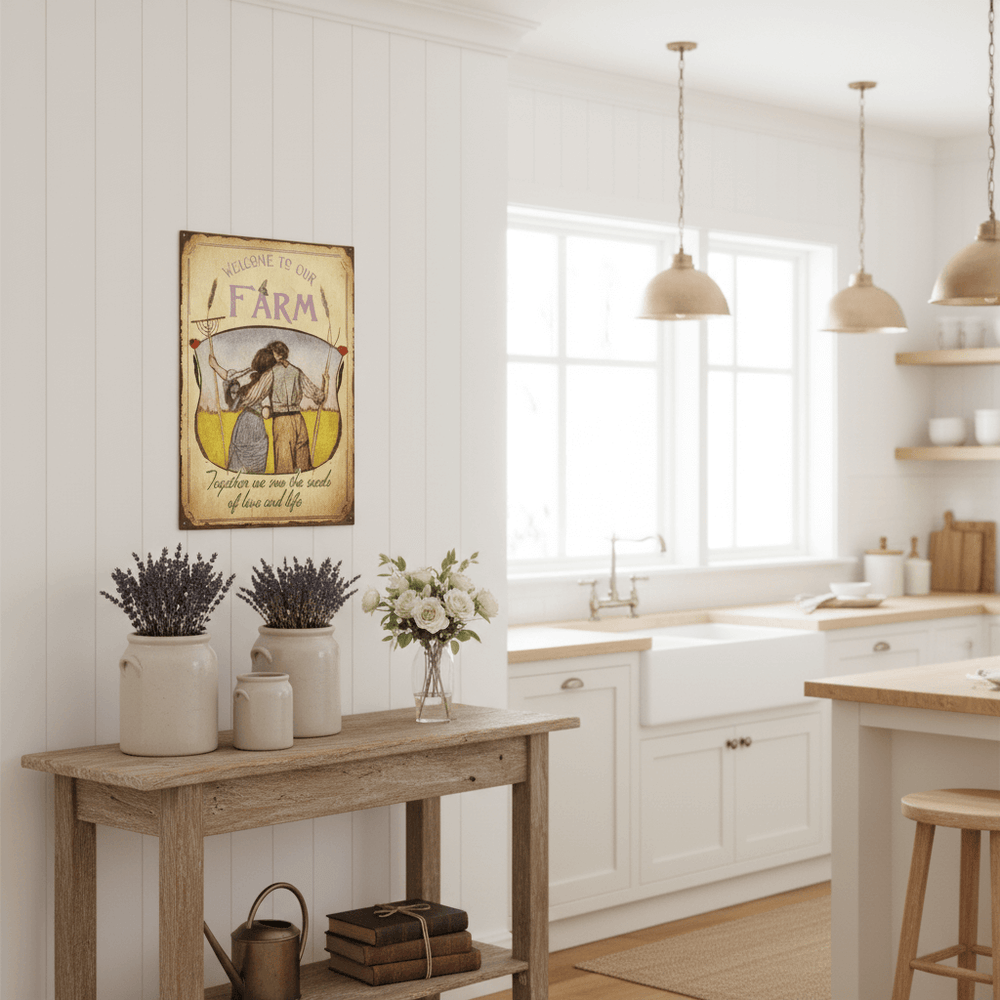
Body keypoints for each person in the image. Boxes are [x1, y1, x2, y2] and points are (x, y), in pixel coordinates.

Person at [241, 340, 328, 473]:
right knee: (303, 466)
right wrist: (326, 384)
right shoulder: (297, 371)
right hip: (299, 421)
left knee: (284, 468)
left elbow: (254, 395)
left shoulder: (271, 373)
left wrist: (239, 400)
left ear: (275, 354)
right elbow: (319, 397)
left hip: (282, 423)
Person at [207, 347, 276, 473]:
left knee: (239, 458)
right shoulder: (269, 379)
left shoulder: (248, 374)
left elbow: (228, 376)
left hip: (244, 421)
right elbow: (266, 414)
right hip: (256, 423)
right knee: (256, 458)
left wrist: (215, 365)